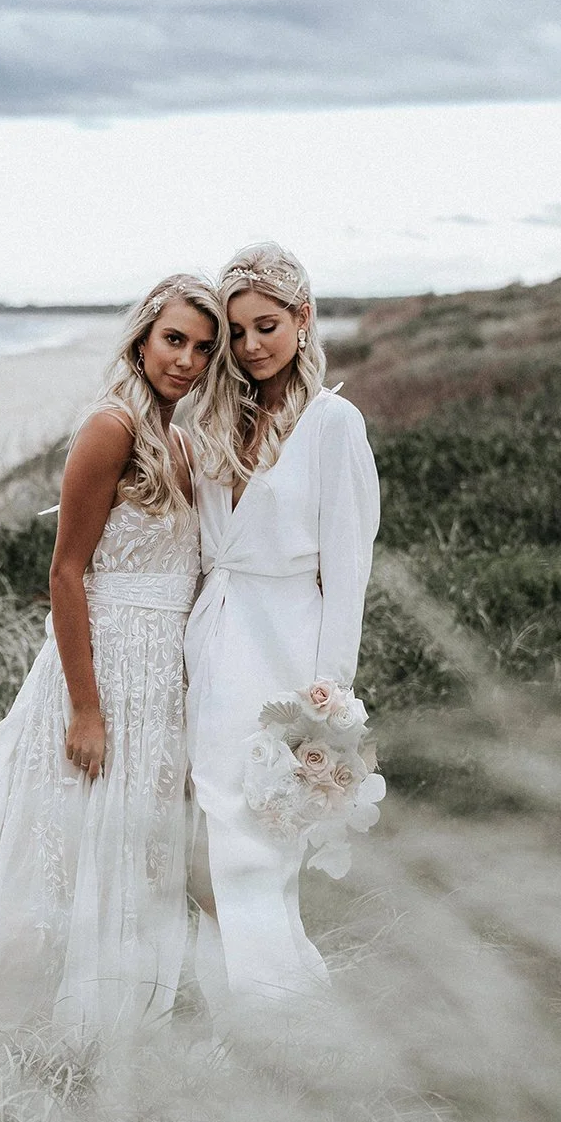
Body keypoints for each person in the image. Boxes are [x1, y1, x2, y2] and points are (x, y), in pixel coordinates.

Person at [0, 274, 222, 1058]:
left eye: (203, 347)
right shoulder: (111, 426)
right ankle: (16, 1007)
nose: (187, 360)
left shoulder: (185, 438)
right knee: (62, 839)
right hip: (102, 664)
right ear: (141, 336)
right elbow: (67, 573)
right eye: (174, 339)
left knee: (140, 841)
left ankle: (117, 1013)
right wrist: (85, 709)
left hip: (164, 670)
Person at [185, 243, 379, 1016]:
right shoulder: (216, 415)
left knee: (259, 841)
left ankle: (283, 1022)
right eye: (235, 332)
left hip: (285, 655)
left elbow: (349, 574)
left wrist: (326, 703)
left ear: (303, 317)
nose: (250, 346)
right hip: (211, 646)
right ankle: (226, 1010)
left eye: (266, 325)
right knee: (208, 839)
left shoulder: (335, 424)